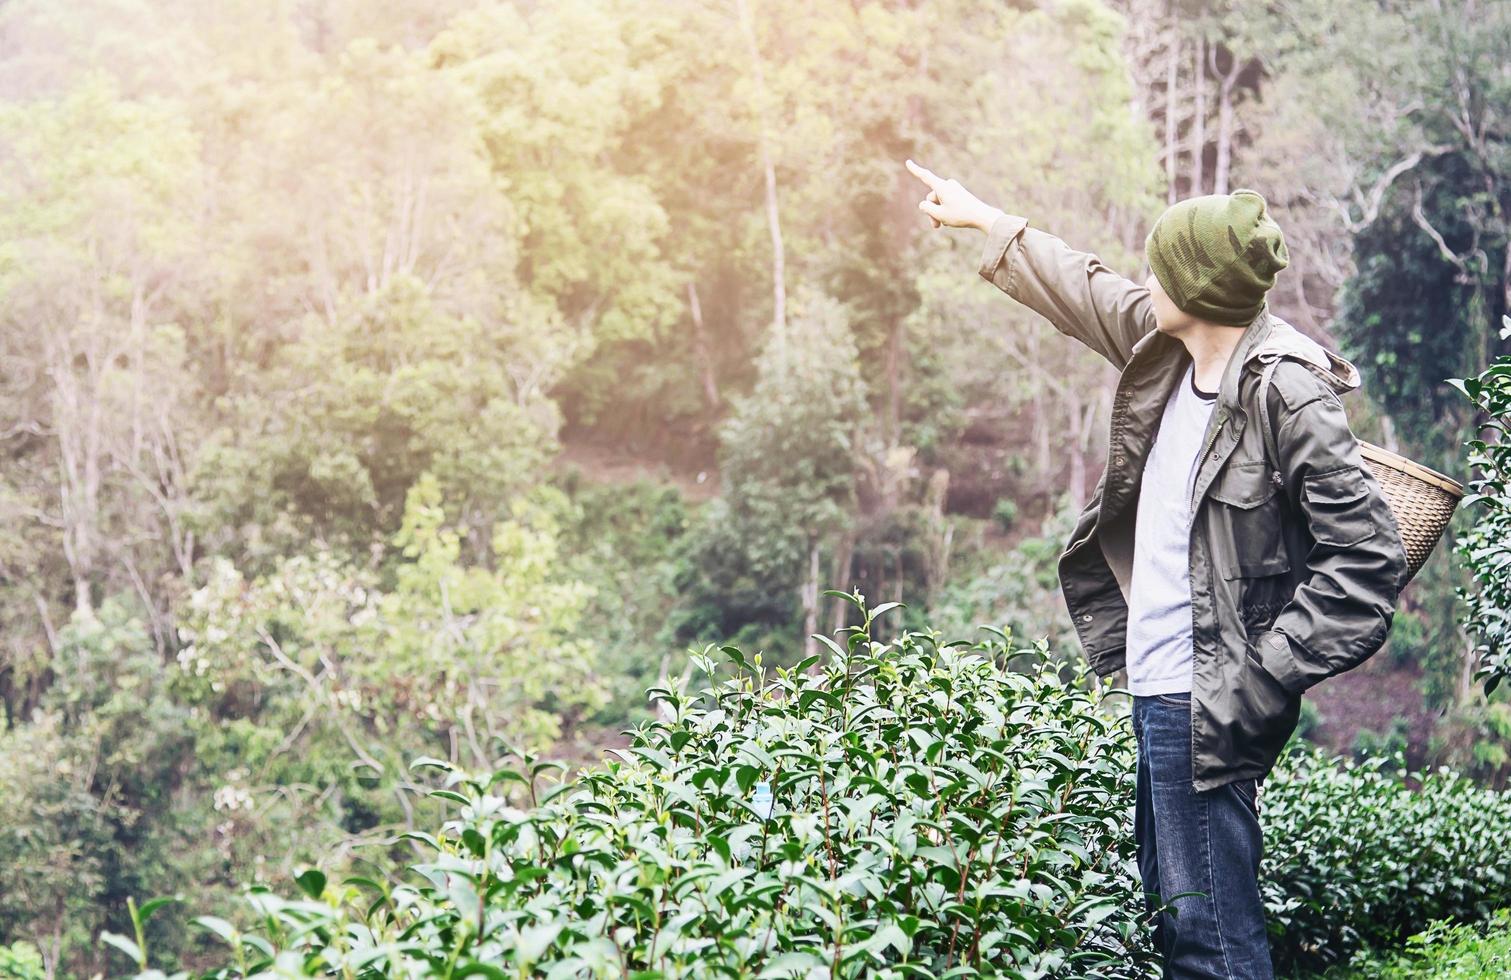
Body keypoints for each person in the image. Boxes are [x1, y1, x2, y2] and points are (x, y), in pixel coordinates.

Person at [904, 159, 1409, 979]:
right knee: (1184, 923)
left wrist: (1257, 676)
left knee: (1208, 943)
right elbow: (1085, 287)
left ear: (1199, 290)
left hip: (1204, 696)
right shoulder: (1166, 346)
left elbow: (1365, 564)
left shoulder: (1286, 394)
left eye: (1160, 267)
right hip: (1157, 682)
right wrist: (981, 219)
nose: (1144, 278)